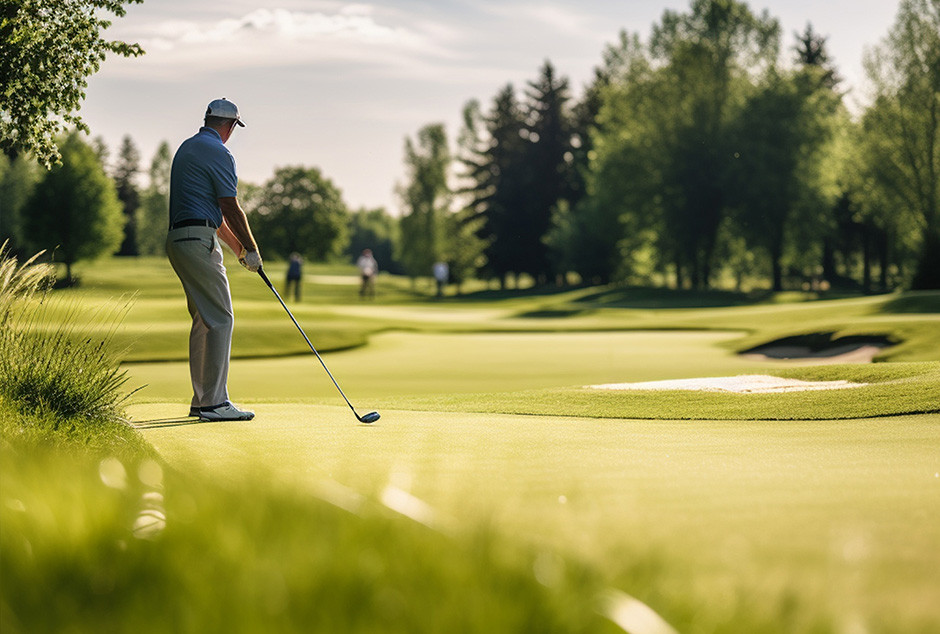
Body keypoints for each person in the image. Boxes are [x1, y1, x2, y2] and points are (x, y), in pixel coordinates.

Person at [166, 97, 262, 422]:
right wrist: (253, 249)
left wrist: (238, 250)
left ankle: (202, 400)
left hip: (179, 240)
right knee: (222, 317)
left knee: (204, 320)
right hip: (197, 240)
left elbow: (215, 214)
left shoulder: (187, 147)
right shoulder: (219, 152)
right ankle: (214, 403)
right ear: (230, 125)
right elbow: (231, 207)